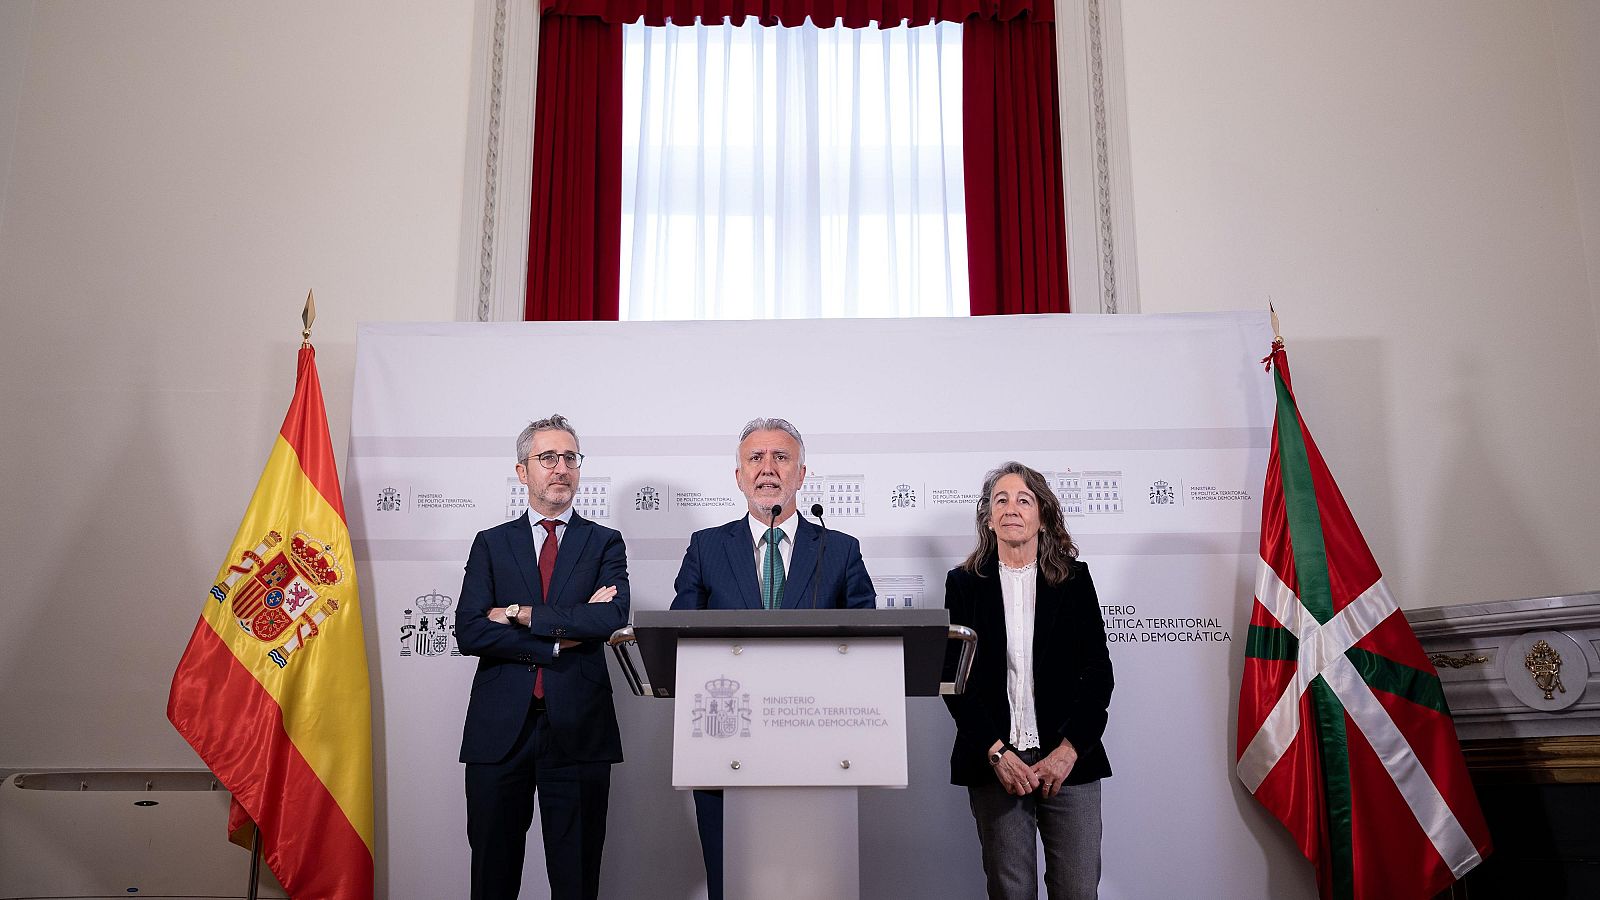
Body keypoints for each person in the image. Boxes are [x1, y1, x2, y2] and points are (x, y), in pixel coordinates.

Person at [670, 416, 877, 900]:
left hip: (816, 740)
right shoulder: (706, 547)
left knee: (812, 880)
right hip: (725, 738)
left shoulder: (839, 550)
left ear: (802, 474)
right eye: (755, 458)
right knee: (731, 881)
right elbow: (681, 633)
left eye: (781, 457)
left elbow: (869, 640)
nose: (768, 469)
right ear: (738, 476)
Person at [455, 415, 630, 900]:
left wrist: (517, 613)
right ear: (522, 471)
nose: (560, 468)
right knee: (493, 876)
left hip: (578, 729)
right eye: (547, 458)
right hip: (500, 732)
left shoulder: (603, 542)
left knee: (576, 879)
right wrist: (558, 637)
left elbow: (609, 618)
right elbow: (469, 630)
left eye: (570, 458)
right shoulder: (492, 543)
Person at [943, 461, 1113, 900]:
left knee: (1077, 889)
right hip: (997, 760)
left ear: (1043, 514)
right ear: (988, 516)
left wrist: (1069, 750)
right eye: (1001, 500)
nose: (1011, 508)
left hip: (1068, 762)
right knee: (1010, 890)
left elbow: (1099, 673)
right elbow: (954, 681)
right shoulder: (963, 584)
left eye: (1024, 499)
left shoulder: (1074, 581)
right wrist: (997, 752)